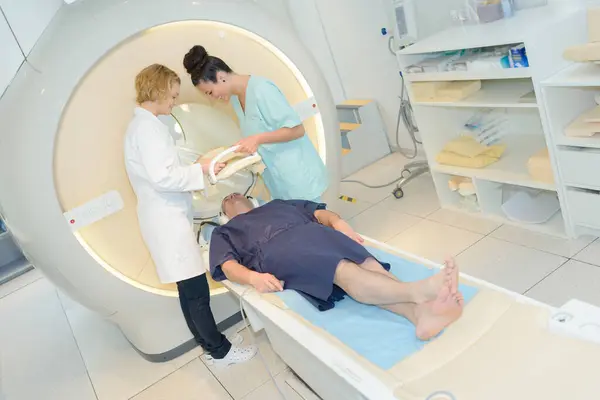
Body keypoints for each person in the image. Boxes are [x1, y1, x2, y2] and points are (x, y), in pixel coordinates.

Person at [124, 64, 257, 365]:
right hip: (166, 222)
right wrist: (204, 170)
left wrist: (201, 164)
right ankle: (220, 352)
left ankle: (209, 345)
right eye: (171, 96)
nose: (173, 102)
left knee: (189, 290)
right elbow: (164, 178)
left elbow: (164, 172)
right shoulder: (147, 129)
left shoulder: (145, 126)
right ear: (156, 91)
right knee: (196, 292)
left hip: (165, 217)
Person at [209, 194, 464, 341]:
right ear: (224, 215)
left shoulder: (277, 204)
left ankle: (419, 315)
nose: (232, 196)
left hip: (315, 233)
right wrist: (254, 277)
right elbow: (228, 266)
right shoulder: (225, 231)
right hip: (278, 250)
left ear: (251, 199)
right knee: (340, 268)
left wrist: (340, 223)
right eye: (226, 200)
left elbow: (320, 214)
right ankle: (417, 292)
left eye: (235, 192)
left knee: (367, 263)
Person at [182, 45, 328, 203]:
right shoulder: (236, 100)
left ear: (221, 76)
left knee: (316, 224)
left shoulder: (262, 90)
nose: (212, 98)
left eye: (210, 92)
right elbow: (257, 138)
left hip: (299, 176)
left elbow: (297, 130)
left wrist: (257, 139)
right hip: (278, 180)